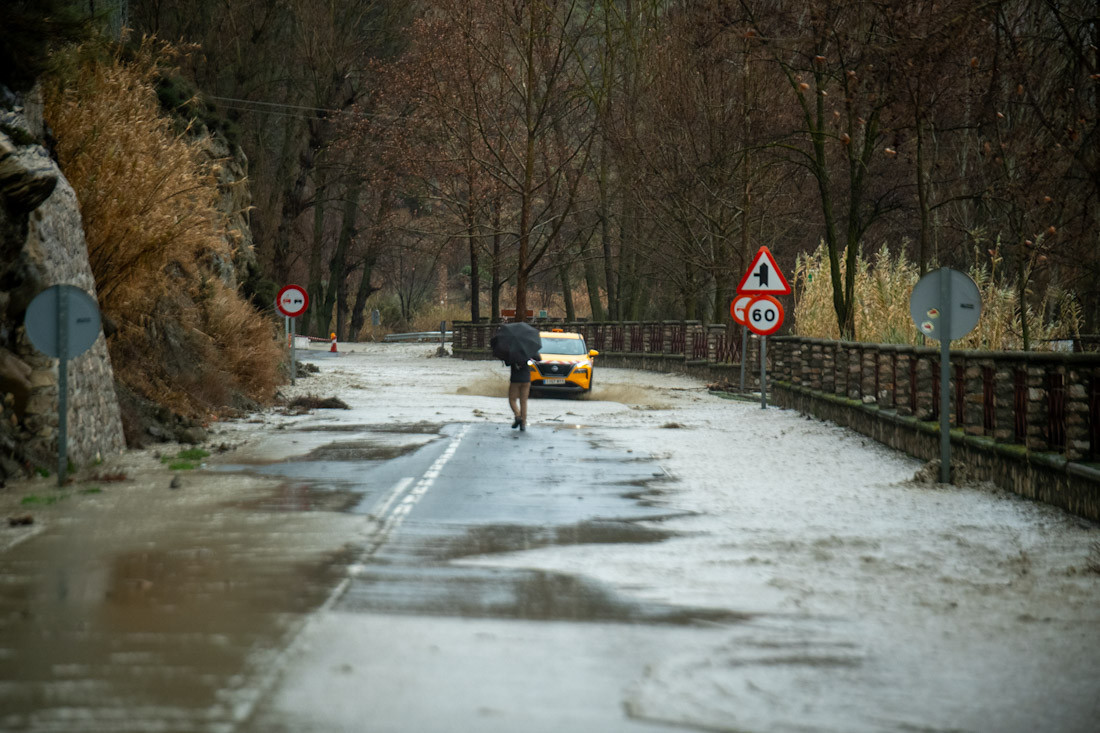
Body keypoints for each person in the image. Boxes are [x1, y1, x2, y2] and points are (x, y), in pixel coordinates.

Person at [508, 359, 531, 431]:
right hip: (526, 379)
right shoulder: (528, 350)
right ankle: (523, 424)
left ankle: (517, 416)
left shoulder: (512, 351)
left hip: (515, 379)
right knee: (523, 401)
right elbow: (538, 358)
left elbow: (507, 363)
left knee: (512, 399)